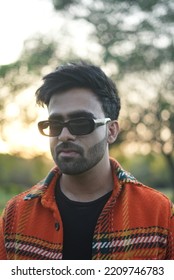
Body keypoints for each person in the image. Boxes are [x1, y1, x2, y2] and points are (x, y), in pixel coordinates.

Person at [0, 61, 173, 260]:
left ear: (111, 131)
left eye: (81, 123)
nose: (64, 135)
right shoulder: (16, 216)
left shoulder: (158, 213)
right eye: (55, 124)